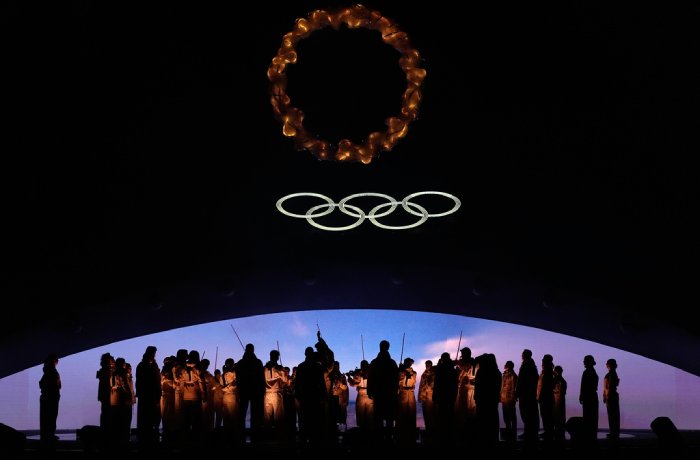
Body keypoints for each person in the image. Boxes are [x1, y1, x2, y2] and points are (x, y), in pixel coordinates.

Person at [367, 339, 398, 442]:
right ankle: (387, 437)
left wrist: (369, 390)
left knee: (380, 417)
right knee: (387, 417)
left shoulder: (374, 362)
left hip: (380, 393)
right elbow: (396, 379)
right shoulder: (392, 362)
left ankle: (380, 437)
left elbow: (370, 378)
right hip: (388, 393)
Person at [135, 345, 161, 450]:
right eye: (153, 353)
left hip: (153, 396)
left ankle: (152, 440)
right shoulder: (143, 366)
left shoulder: (153, 365)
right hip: (147, 397)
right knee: (146, 420)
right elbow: (140, 382)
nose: (154, 355)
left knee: (154, 420)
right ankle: (146, 442)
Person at [39, 353, 61, 449]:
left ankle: (48, 435)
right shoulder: (51, 372)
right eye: (56, 360)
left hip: (51, 397)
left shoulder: (49, 371)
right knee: (50, 417)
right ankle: (49, 436)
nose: (57, 361)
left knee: (49, 417)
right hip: (51, 398)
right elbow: (45, 384)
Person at [579, 355, 599, 443]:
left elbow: (583, 385)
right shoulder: (593, 372)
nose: (584, 362)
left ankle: (589, 435)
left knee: (588, 416)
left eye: (585, 361)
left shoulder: (587, 372)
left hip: (588, 396)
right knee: (592, 417)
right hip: (592, 396)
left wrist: (581, 395)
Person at [417, 360, 435, 443]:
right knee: (425, 414)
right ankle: (427, 430)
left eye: (428, 365)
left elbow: (433, 385)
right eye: (426, 365)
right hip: (424, 397)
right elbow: (421, 385)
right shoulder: (423, 375)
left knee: (430, 414)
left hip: (430, 396)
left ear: (431, 365)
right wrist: (419, 396)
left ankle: (431, 431)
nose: (427, 366)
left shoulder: (434, 374)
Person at [500, 360, 518, 442]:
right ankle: (508, 431)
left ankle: (513, 433)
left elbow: (514, 388)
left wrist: (513, 397)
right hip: (504, 398)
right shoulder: (504, 375)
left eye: (506, 365)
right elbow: (502, 387)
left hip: (509, 399)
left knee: (511, 416)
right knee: (506, 416)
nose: (504, 366)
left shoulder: (513, 376)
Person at [603, 358, 620, 439]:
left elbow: (610, 386)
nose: (606, 365)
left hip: (611, 396)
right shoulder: (611, 373)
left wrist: (606, 396)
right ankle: (613, 431)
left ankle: (614, 432)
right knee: (612, 415)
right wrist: (604, 395)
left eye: (608, 364)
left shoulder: (612, 374)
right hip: (610, 396)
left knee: (613, 415)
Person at [552, 365, 567, 441]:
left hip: (558, 401)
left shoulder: (558, 380)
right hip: (559, 401)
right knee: (560, 417)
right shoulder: (562, 381)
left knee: (558, 417)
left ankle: (558, 432)